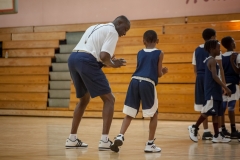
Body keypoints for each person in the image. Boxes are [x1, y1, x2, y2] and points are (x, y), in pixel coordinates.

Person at [65, 15, 131, 150]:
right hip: (86, 61)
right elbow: (104, 56)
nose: (124, 33)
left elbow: (95, 54)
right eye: (125, 29)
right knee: (109, 99)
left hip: (73, 59)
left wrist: (107, 62)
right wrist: (114, 64)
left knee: (83, 100)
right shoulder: (113, 31)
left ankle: (71, 139)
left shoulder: (95, 26)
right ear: (119, 22)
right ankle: (104, 141)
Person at [110, 30, 168, 153]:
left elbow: (141, 68)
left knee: (130, 113)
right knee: (154, 114)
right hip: (147, 82)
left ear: (143, 41)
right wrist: (163, 71)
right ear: (157, 41)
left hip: (134, 81)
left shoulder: (140, 52)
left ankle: (120, 135)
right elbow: (158, 73)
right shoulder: (159, 53)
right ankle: (150, 144)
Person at [188, 39, 231, 143]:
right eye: (218, 48)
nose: (220, 50)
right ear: (212, 49)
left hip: (215, 90)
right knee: (207, 112)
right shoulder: (211, 60)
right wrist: (225, 87)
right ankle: (194, 127)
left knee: (215, 114)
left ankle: (216, 135)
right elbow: (215, 76)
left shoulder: (213, 60)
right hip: (211, 91)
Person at [192, 28, 226, 140]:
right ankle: (196, 127)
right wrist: (224, 85)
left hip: (201, 79)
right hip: (211, 80)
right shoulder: (214, 52)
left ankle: (209, 132)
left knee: (208, 106)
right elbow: (220, 69)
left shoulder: (196, 50)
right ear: (212, 37)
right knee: (208, 108)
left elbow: (195, 69)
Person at [221, 36, 240, 139]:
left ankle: (222, 129)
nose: (235, 42)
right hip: (232, 84)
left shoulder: (221, 57)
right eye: (234, 41)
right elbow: (238, 71)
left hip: (223, 85)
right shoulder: (236, 56)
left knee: (223, 108)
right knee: (231, 107)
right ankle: (233, 130)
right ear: (232, 44)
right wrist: (232, 62)